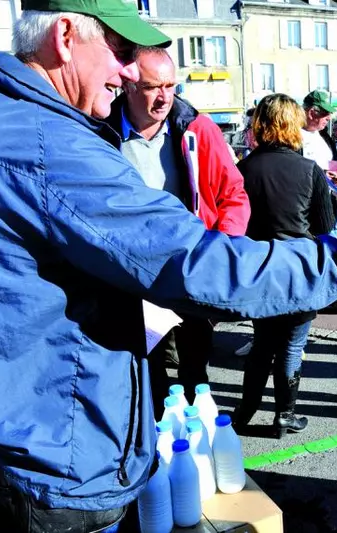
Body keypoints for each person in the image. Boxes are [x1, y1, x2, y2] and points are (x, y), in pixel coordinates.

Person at [0, 2, 337, 530]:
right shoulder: (48, 144)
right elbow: (199, 265)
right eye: (122, 51)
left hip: (8, 431)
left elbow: (225, 202)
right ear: (65, 35)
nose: (128, 71)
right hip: (57, 454)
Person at [106, 46, 251, 413]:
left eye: (171, 85)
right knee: (144, 366)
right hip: (129, 274)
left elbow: (234, 193)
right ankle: (153, 441)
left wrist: (223, 245)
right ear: (128, 85)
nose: (164, 97)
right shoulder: (102, 130)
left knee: (195, 367)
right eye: (154, 86)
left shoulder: (196, 129)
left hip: (189, 267)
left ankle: (195, 438)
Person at [232, 94, 335, 438]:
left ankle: (245, 409)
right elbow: (325, 226)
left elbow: (236, 223)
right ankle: (284, 414)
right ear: (294, 125)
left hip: (260, 267)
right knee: (292, 345)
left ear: (261, 124)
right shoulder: (309, 170)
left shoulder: (243, 169)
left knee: (263, 342)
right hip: (299, 268)